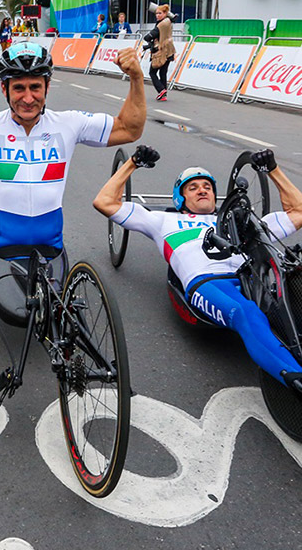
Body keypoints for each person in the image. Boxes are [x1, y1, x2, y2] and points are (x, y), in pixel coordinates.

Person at [0, 44, 146, 254]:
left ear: (47, 87)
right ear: (5, 89)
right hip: (0, 249)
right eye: (19, 88)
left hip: (51, 248)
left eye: (35, 87)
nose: (28, 99)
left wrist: (136, 78)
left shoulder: (69, 123)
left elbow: (128, 129)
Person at [93, 145, 302, 387]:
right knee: (245, 312)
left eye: (207, 187)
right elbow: (104, 202)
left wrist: (273, 170)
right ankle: (295, 379)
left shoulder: (239, 220)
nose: (202, 190)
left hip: (253, 278)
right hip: (208, 282)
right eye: (193, 187)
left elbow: (298, 211)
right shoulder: (163, 220)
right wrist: (133, 163)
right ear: (180, 198)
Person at [143, 4, 175, 102]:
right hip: (169, 50)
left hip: (162, 51)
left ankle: (161, 90)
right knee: (163, 73)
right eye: (156, 13)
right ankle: (163, 94)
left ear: (165, 14)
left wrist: (149, 40)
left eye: (160, 13)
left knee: (152, 72)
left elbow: (148, 37)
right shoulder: (168, 21)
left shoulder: (162, 24)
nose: (157, 15)